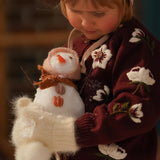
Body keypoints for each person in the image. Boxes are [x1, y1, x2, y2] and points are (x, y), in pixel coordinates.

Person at [24, 0, 160, 160]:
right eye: (75, 10)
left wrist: (72, 132)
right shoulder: (76, 46)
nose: (86, 22)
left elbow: (134, 108)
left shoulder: (136, 45)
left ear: (124, 5)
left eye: (99, 13)